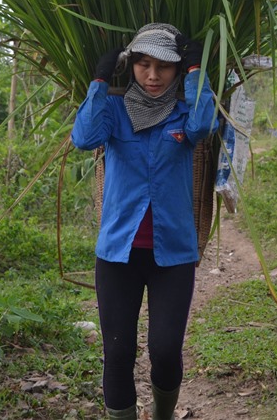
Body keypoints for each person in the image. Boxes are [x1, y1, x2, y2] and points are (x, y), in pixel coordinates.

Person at [71, 22, 217, 420]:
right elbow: (83, 138)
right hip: (118, 254)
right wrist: (100, 79)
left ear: (175, 70)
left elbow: (204, 125)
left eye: (164, 67)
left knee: (165, 349)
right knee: (117, 352)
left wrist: (194, 71)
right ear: (130, 65)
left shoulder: (185, 110)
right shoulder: (115, 112)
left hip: (173, 255)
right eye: (143, 65)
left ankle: (163, 416)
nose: (153, 77)